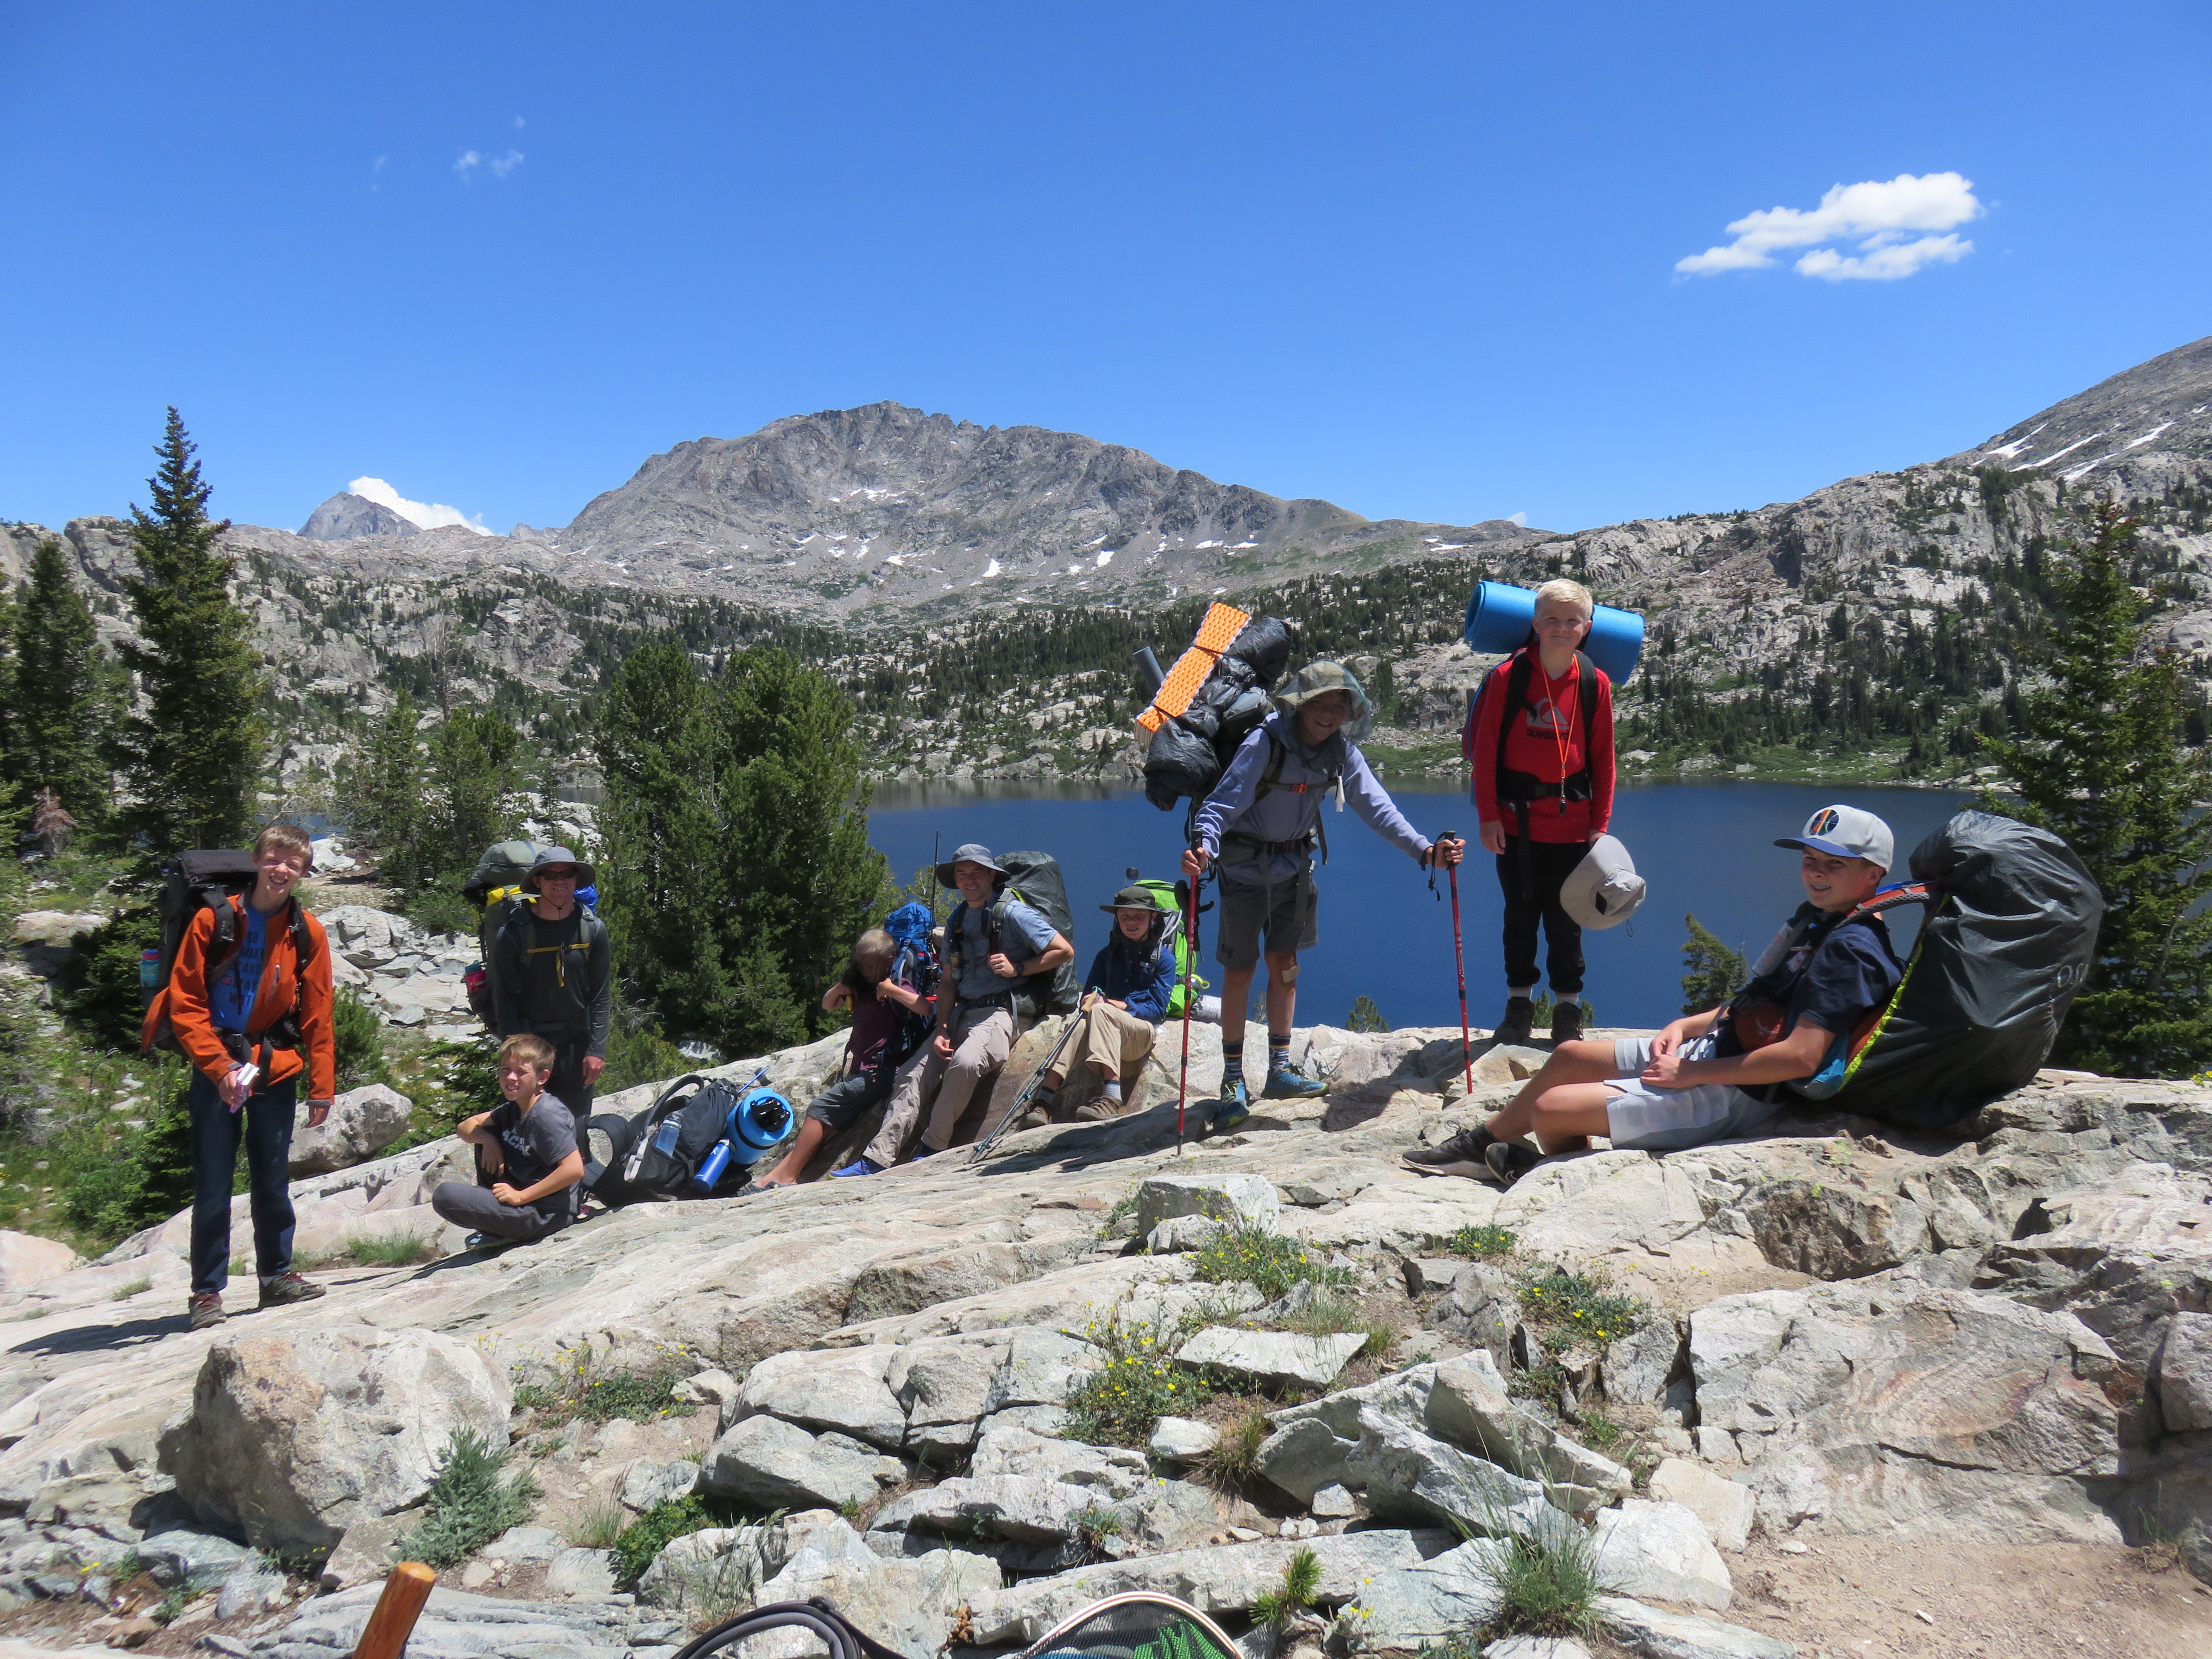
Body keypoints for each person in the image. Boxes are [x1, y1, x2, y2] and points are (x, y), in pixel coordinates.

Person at [1404, 804, 1903, 1183]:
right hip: (1716, 1050)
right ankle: (1484, 1144)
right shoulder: (1825, 921)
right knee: (1570, 1055)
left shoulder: (1852, 951)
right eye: (1811, 859)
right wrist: (1686, 1028)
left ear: (1874, 874)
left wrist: (1690, 1073)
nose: (1815, 872)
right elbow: (1761, 1002)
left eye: (1833, 865)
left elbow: (1801, 1056)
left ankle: (1553, 1176)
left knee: (1552, 1109)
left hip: (1736, 1091)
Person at [1184, 661, 1464, 1130]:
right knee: (1239, 971)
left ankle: (1279, 1071)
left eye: (1340, 706)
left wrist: (1424, 852)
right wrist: (1203, 849)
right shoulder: (1265, 743)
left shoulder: (1342, 754)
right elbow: (1221, 805)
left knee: (1286, 967)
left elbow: (1377, 808)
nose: (1331, 714)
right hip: (1243, 871)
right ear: (1300, 704)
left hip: (1295, 871)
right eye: (1321, 704)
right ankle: (1233, 1079)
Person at [151, 823, 335, 1330]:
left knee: (272, 1178)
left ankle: (276, 1275)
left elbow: (320, 1010)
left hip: (272, 1065)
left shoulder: (307, 930)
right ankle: (206, 1292)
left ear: (303, 872)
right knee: (213, 1182)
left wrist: (323, 1086)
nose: (281, 869)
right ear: (257, 859)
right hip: (218, 1065)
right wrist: (218, 1068)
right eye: (275, 858)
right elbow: (186, 1003)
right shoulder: (216, 918)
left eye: (293, 864)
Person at [841, 845, 1074, 1172]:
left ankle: (931, 1148)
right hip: (963, 1010)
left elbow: (1063, 950)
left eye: (977, 872)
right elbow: (948, 981)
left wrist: (1017, 968)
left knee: (965, 1062)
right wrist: (943, 1029)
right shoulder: (959, 919)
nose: (969, 880)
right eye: (962, 874)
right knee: (914, 1073)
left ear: (992, 875)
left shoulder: (1012, 913)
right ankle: (876, 1158)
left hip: (1003, 1011)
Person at [1464, 579, 1617, 1046]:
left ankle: (1568, 1013)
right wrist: (1488, 815)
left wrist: (1600, 827)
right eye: (1551, 618)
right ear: (1535, 623)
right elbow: (1486, 751)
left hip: (1574, 830)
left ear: (1587, 628)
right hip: (1515, 825)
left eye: (1572, 620)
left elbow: (1604, 760)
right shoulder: (1509, 679)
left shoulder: (1595, 682)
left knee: (1567, 922)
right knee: (1520, 917)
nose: (1561, 627)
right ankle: (1519, 1008)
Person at [755, 926, 935, 1186]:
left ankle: (789, 1177)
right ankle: (776, 1175)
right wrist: (843, 986)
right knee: (827, 1123)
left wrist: (891, 990)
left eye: (872, 966)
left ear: (889, 961)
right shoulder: (860, 985)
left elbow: (926, 1008)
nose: (867, 971)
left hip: (882, 1071)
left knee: (820, 1108)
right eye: (861, 965)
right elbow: (828, 1004)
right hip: (862, 1069)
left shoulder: (896, 982)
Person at [1025, 883, 1178, 1122]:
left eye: (1139, 916)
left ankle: (1113, 1098)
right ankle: (1044, 1101)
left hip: (1139, 1034)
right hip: (1104, 1028)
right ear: (1117, 919)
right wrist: (1092, 1000)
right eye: (1125, 916)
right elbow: (1088, 998)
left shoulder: (1164, 959)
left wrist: (1117, 1005)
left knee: (1102, 1012)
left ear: (1153, 917)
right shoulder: (1106, 957)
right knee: (1081, 1022)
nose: (1132, 922)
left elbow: (1157, 1010)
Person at [490, 847, 611, 1143]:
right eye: (551, 875)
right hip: (531, 1045)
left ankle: (575, 1186)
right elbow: (503, 997)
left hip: (576, 1045)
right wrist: (514, 1055)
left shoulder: (593, 930)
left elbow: (600, 995)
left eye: (567, 874)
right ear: (539, 882)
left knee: (576, 1128)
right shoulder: (514, 934)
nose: (560, 881)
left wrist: (597, 1050)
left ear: (576, 880)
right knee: (529, 1128)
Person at [432, 1033, 585, 1246]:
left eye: (521, 1072)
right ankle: (497, 1227)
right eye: (506, 1070)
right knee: (490, 1131)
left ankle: (500, 1229)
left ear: (542, 1078)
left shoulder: (545, 1115)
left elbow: (574, 1169)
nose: (511, 1078)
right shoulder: (516, 1107)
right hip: (522, 1200)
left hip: (545, 1214)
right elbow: (465, 1127)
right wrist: (488, 1141)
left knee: (444, 1195)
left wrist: (521, 1197)